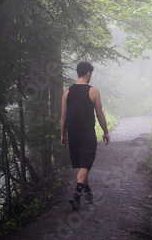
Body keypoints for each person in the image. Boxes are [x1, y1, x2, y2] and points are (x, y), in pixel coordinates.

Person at [60, 61, 110, 209]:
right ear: (88, 73)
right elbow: (100, 114)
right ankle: (77, 193)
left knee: (80, 165)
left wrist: (62, 134)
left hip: (72, 133)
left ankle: (87, 191)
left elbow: (63, 116)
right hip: (87, 133)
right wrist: (105, 132)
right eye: (91, 74)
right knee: (86, 164)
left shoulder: (67, 92)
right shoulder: (93, 91)